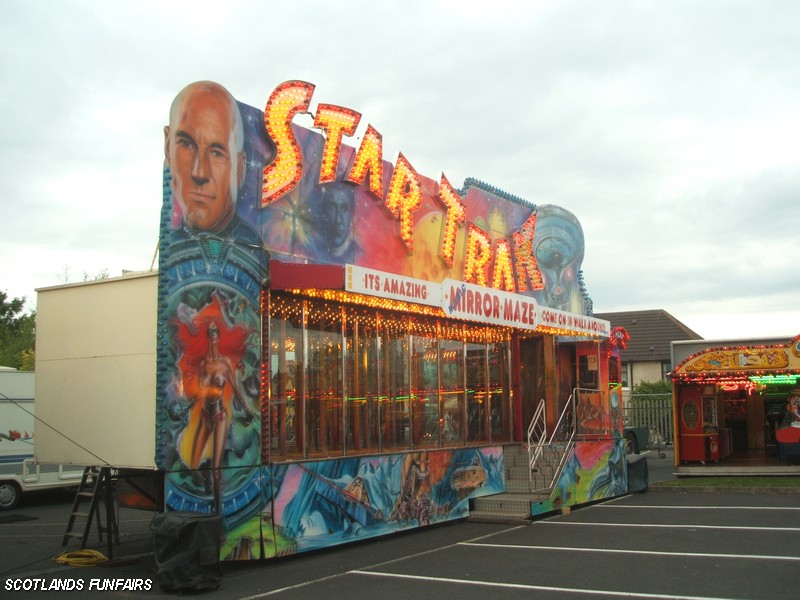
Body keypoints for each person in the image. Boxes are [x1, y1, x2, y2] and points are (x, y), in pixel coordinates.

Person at [163, 81, 261, 247]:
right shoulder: (172, 246)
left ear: (239, 169)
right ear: (168, 147)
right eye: (186, 144)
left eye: (217, 153)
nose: (199, 172)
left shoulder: (251, 250)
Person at [319, 181, 358, 261]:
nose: (338, 220)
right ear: (323, 211)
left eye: (344, 209)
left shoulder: (360, 256)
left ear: (351, 214)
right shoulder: (311, 249)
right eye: (332, 208)